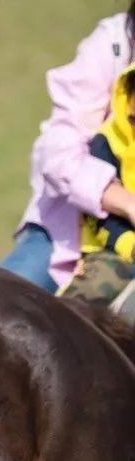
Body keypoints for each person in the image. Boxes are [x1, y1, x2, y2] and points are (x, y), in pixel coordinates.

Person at [0, 0, 135, 293]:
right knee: (0, 303)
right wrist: (127, 203)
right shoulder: (114, 44)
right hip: (66, 232)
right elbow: (58, 153)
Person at [57, 65, 135, 305]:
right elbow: (96, 215)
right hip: (111, 250)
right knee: (90, 293)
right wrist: (129, 246)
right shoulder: (106, 143)